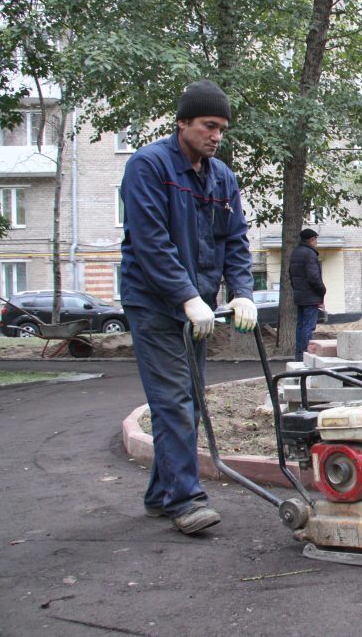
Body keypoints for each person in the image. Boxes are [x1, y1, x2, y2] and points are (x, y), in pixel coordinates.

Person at [119, 79, 257, 535]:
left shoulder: (222, 177)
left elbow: (235, 241)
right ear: (182, 123)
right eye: (208, 125)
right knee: (174, 402)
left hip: (197, 305)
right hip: (156, 304)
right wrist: (186, 297)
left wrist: (241, 292)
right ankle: (185, 500)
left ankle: (161, 494)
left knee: (190, 401)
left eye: (222, 128)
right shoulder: (148, 166)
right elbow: (152, 243)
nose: (216, 135)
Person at [289, 228, 326, 359]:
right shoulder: (310, 254)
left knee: (300, 326)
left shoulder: (295, 252)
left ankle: (299, 355)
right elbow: (314, 278)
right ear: (310, 240)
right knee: (308, 327)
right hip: (311, 297)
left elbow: (291, 275)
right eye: (315, 240)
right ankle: (306, 355)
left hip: (300, 296)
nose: (316, 242)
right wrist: (322, 291)